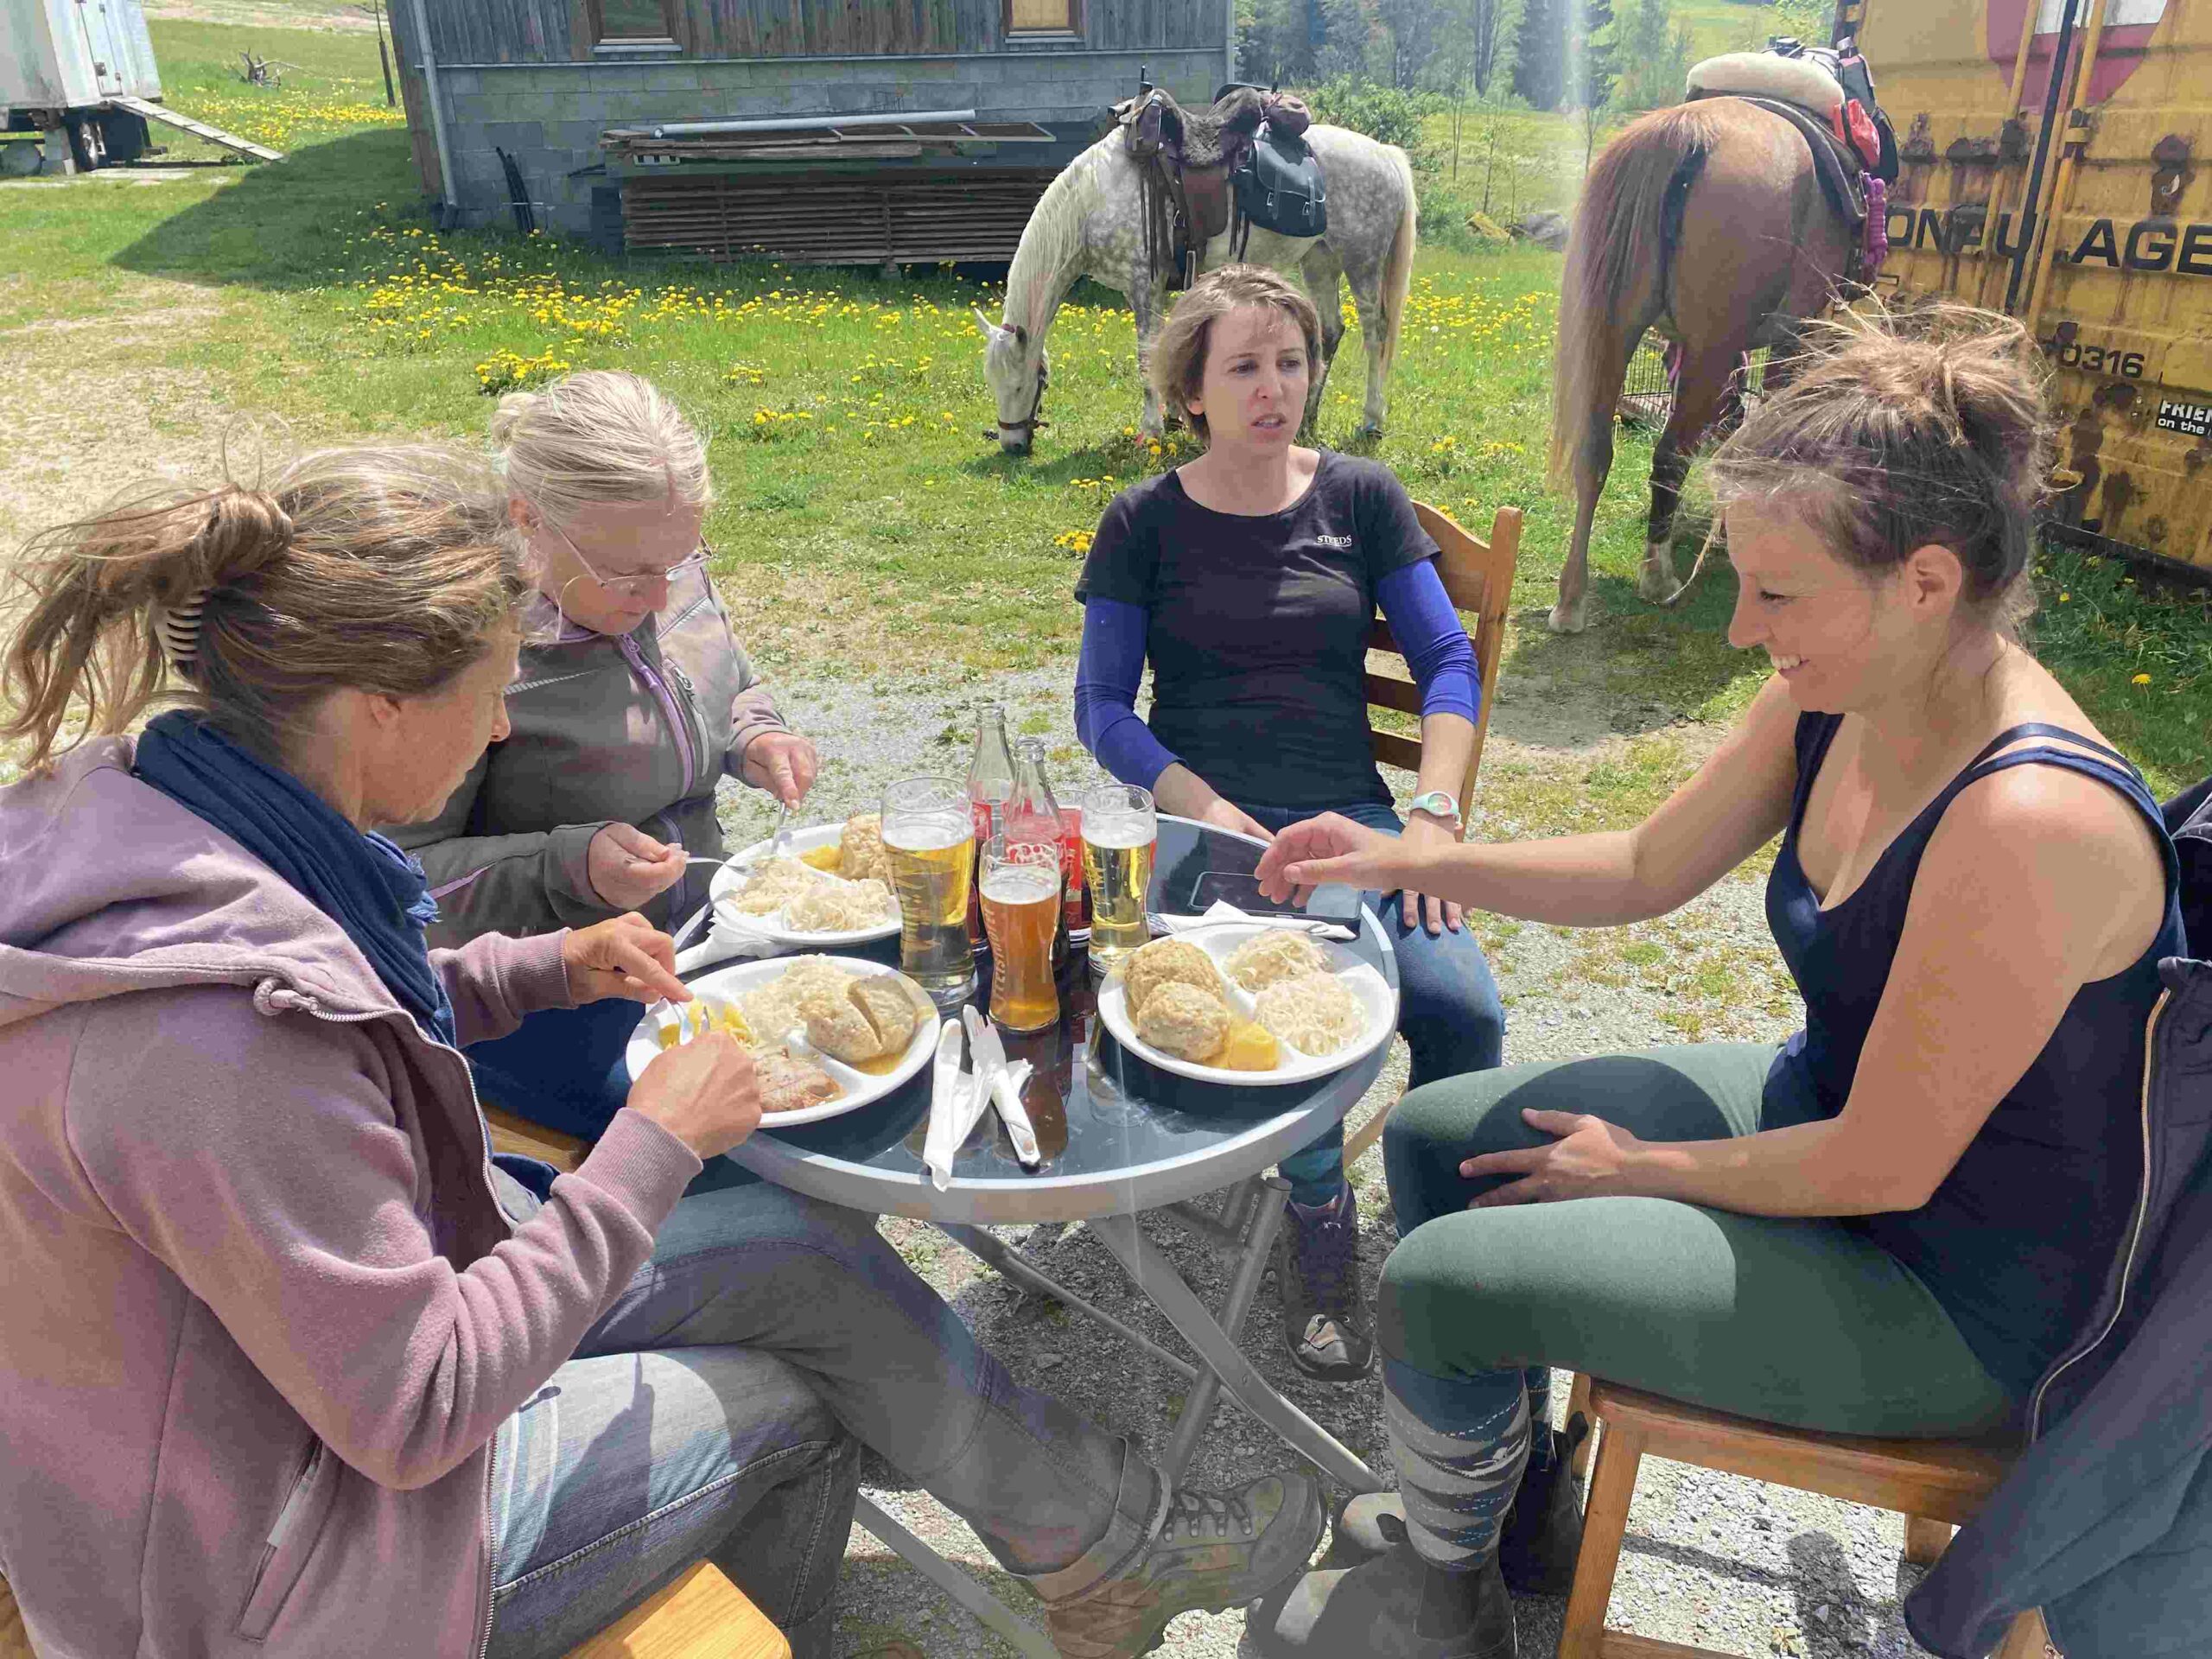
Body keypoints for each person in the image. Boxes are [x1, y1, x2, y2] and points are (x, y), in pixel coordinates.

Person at [0, 449, 1324, 1659]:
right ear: (377, 708)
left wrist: (535, 967)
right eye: (491, 688)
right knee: (797, 1394)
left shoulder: (163, 804)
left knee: (800, 1248)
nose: (506, 727)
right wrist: (652, 1147)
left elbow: (338, 1031)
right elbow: (419, 1406)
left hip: (315, 1389)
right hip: (283, 1580)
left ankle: (1107, 1556)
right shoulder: (213, 1038)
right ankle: (823, 1615)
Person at [1244, 308, 2183, 1657]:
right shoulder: (1842, 690)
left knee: (1435, 1280)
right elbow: (1640, 866)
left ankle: (1444, 1605)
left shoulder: (2030, 819)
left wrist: (1640, 1168)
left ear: (1925, 581)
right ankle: (1513, 1520)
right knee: (1440, 1140)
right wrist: (1402, 852)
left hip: (1955, 1292)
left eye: (1778, 593)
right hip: (1833, 1131)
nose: (1745, 630)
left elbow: (1884, 1164)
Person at [1072, 264, 1505, 1382]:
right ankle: (1321, 1231)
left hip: (1358, 819)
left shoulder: (1361, 496)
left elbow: (1447, 658)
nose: (1275, 388)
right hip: (1203, 833)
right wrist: (1213, 814)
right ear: (1193, 389)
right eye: (1245, 366)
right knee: (1283, 1022)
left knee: (1462, 1008)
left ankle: (1453, 1248)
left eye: (1293, 361)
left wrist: (1434, 824)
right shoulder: (1142, 522)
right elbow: (1103, 710)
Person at [391, 371, 818, 1162]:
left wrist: (753, 734)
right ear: (529, 522)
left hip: (704, 941)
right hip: (549, 1006)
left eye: (683, 561)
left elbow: (722, 676)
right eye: (631, 576)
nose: (659, 596)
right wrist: (567, 866)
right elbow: (397, 881)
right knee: (773, 1135)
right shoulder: (468, 649)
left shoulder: (652, 557)